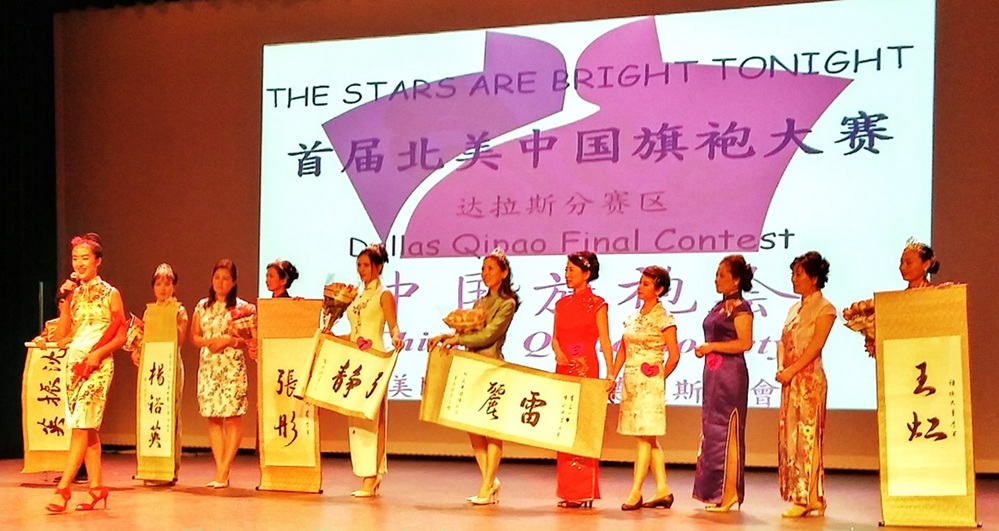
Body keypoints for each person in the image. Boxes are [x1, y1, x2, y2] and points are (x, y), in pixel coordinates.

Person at [43, 233, 127, 513]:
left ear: (97, 261)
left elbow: (121, 334)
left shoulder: (111, 293)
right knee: (87, 428)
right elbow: (63, 333)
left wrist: (98, 354)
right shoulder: (74, 293)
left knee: (81, 426)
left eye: (85, 258)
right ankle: (96, 487)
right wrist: (65, 300)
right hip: (74, 365)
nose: (79, 263)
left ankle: (63, 489)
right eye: (75, 258)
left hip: (98, 366)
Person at [429, 249, 519, 505]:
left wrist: (457, 339)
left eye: (490, 269)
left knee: (490, 427)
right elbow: (469, 330)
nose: (485, 274)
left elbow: (488, 335)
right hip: (472, 365)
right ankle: (490, 480)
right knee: (472, 426)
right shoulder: (480, 303)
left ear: (504, 273)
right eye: (483, 269)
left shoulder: (507, 304)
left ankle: (487, 484)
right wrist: (447, 336)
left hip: (491, 367)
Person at [610, 265, 681, 511]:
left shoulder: (664, 318)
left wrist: (659, 378)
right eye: (640, 282)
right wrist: (613, 375)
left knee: (644, 436)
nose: (640, 287)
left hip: (650, 386)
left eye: (647, 284)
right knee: (647, 438)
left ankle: (636, 491)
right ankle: (663, 489)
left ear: (659, 289)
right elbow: (623, 348)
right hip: (631, 384)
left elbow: (674, 356)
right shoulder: (633, 317)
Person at [692, 254, 754, 512]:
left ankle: (728, 493)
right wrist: (706, 350)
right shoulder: (719, 307)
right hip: (713, 375)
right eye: (716, 274)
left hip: (730, 375)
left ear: (736, 280)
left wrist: (712, 347)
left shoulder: (741, 307)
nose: (716, 279)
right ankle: (715, 492)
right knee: (712, 430)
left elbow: (745, 343)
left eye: (722, 275)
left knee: (728, 429)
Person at [552, 251, 613, 508]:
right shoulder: (561, 304)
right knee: (564, 426)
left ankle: (584, 491)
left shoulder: (598, 304)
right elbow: (555, 337)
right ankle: (569, 491)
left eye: (572, 270)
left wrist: (611, 373)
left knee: (584, 427)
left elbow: (605, 340)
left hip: (586, 369)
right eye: (566, 270)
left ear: (586, 274)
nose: (567, 274)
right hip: (564, 368)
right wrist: (558, 352)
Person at [776, 252, 835, 517]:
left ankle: (806, 497)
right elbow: (782, 341)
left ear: (814, 278)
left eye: (799, 274)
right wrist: (781, 367)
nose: (794, 278)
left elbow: (815, 347)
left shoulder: (825, 308)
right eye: (793, 273)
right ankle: (811, 497)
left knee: (807, 437)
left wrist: (792, 370)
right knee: (791, 438)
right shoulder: (793, 310)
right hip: (790, 379)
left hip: (809, 380)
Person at [343, 244, 403, 497]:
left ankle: (373, 474)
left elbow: (393, 326)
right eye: (359, 265)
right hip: (355, 361)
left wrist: (397, 337)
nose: (362, 270)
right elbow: (354, 331)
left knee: (373, 417)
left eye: (366, 265)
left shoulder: (384, 295)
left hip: (374, 359)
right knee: (356, 418)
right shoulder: (355, 296)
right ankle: (365, 472)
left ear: (378, 267)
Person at [190, 259, 255, 488]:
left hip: (231, 367)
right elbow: (194, 336)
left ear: (234, 281)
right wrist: (210, 342)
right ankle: (221, 471)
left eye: (226, 278)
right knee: (214, 418)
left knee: (233, 417)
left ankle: (224, 470)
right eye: (217, 277)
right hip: (209, 367)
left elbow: (250, 340)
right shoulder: (202, 306)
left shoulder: (243, 309)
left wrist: (228, 340)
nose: (220, 282)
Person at [130, 263, 189, 485]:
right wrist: (137, 352)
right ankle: (150, 466)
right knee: (150, 413)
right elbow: (145, 340)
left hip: (170, 367)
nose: (163, 288)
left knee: (170, 415)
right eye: (158, 284)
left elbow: (179, 340)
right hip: (152, 369)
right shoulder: (149, 312)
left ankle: (170, 468)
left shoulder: (179, 311)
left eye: (167, 283)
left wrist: (171, 317)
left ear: (174, 287)